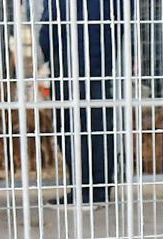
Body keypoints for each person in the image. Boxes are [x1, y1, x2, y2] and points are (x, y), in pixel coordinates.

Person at [37, 0, 123, 207]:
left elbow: (53, 20)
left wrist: (47, 49)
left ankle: (84, 189)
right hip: (100, 46)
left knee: (72, 122)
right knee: (98, 118)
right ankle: (98, 188)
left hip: (72, 48)